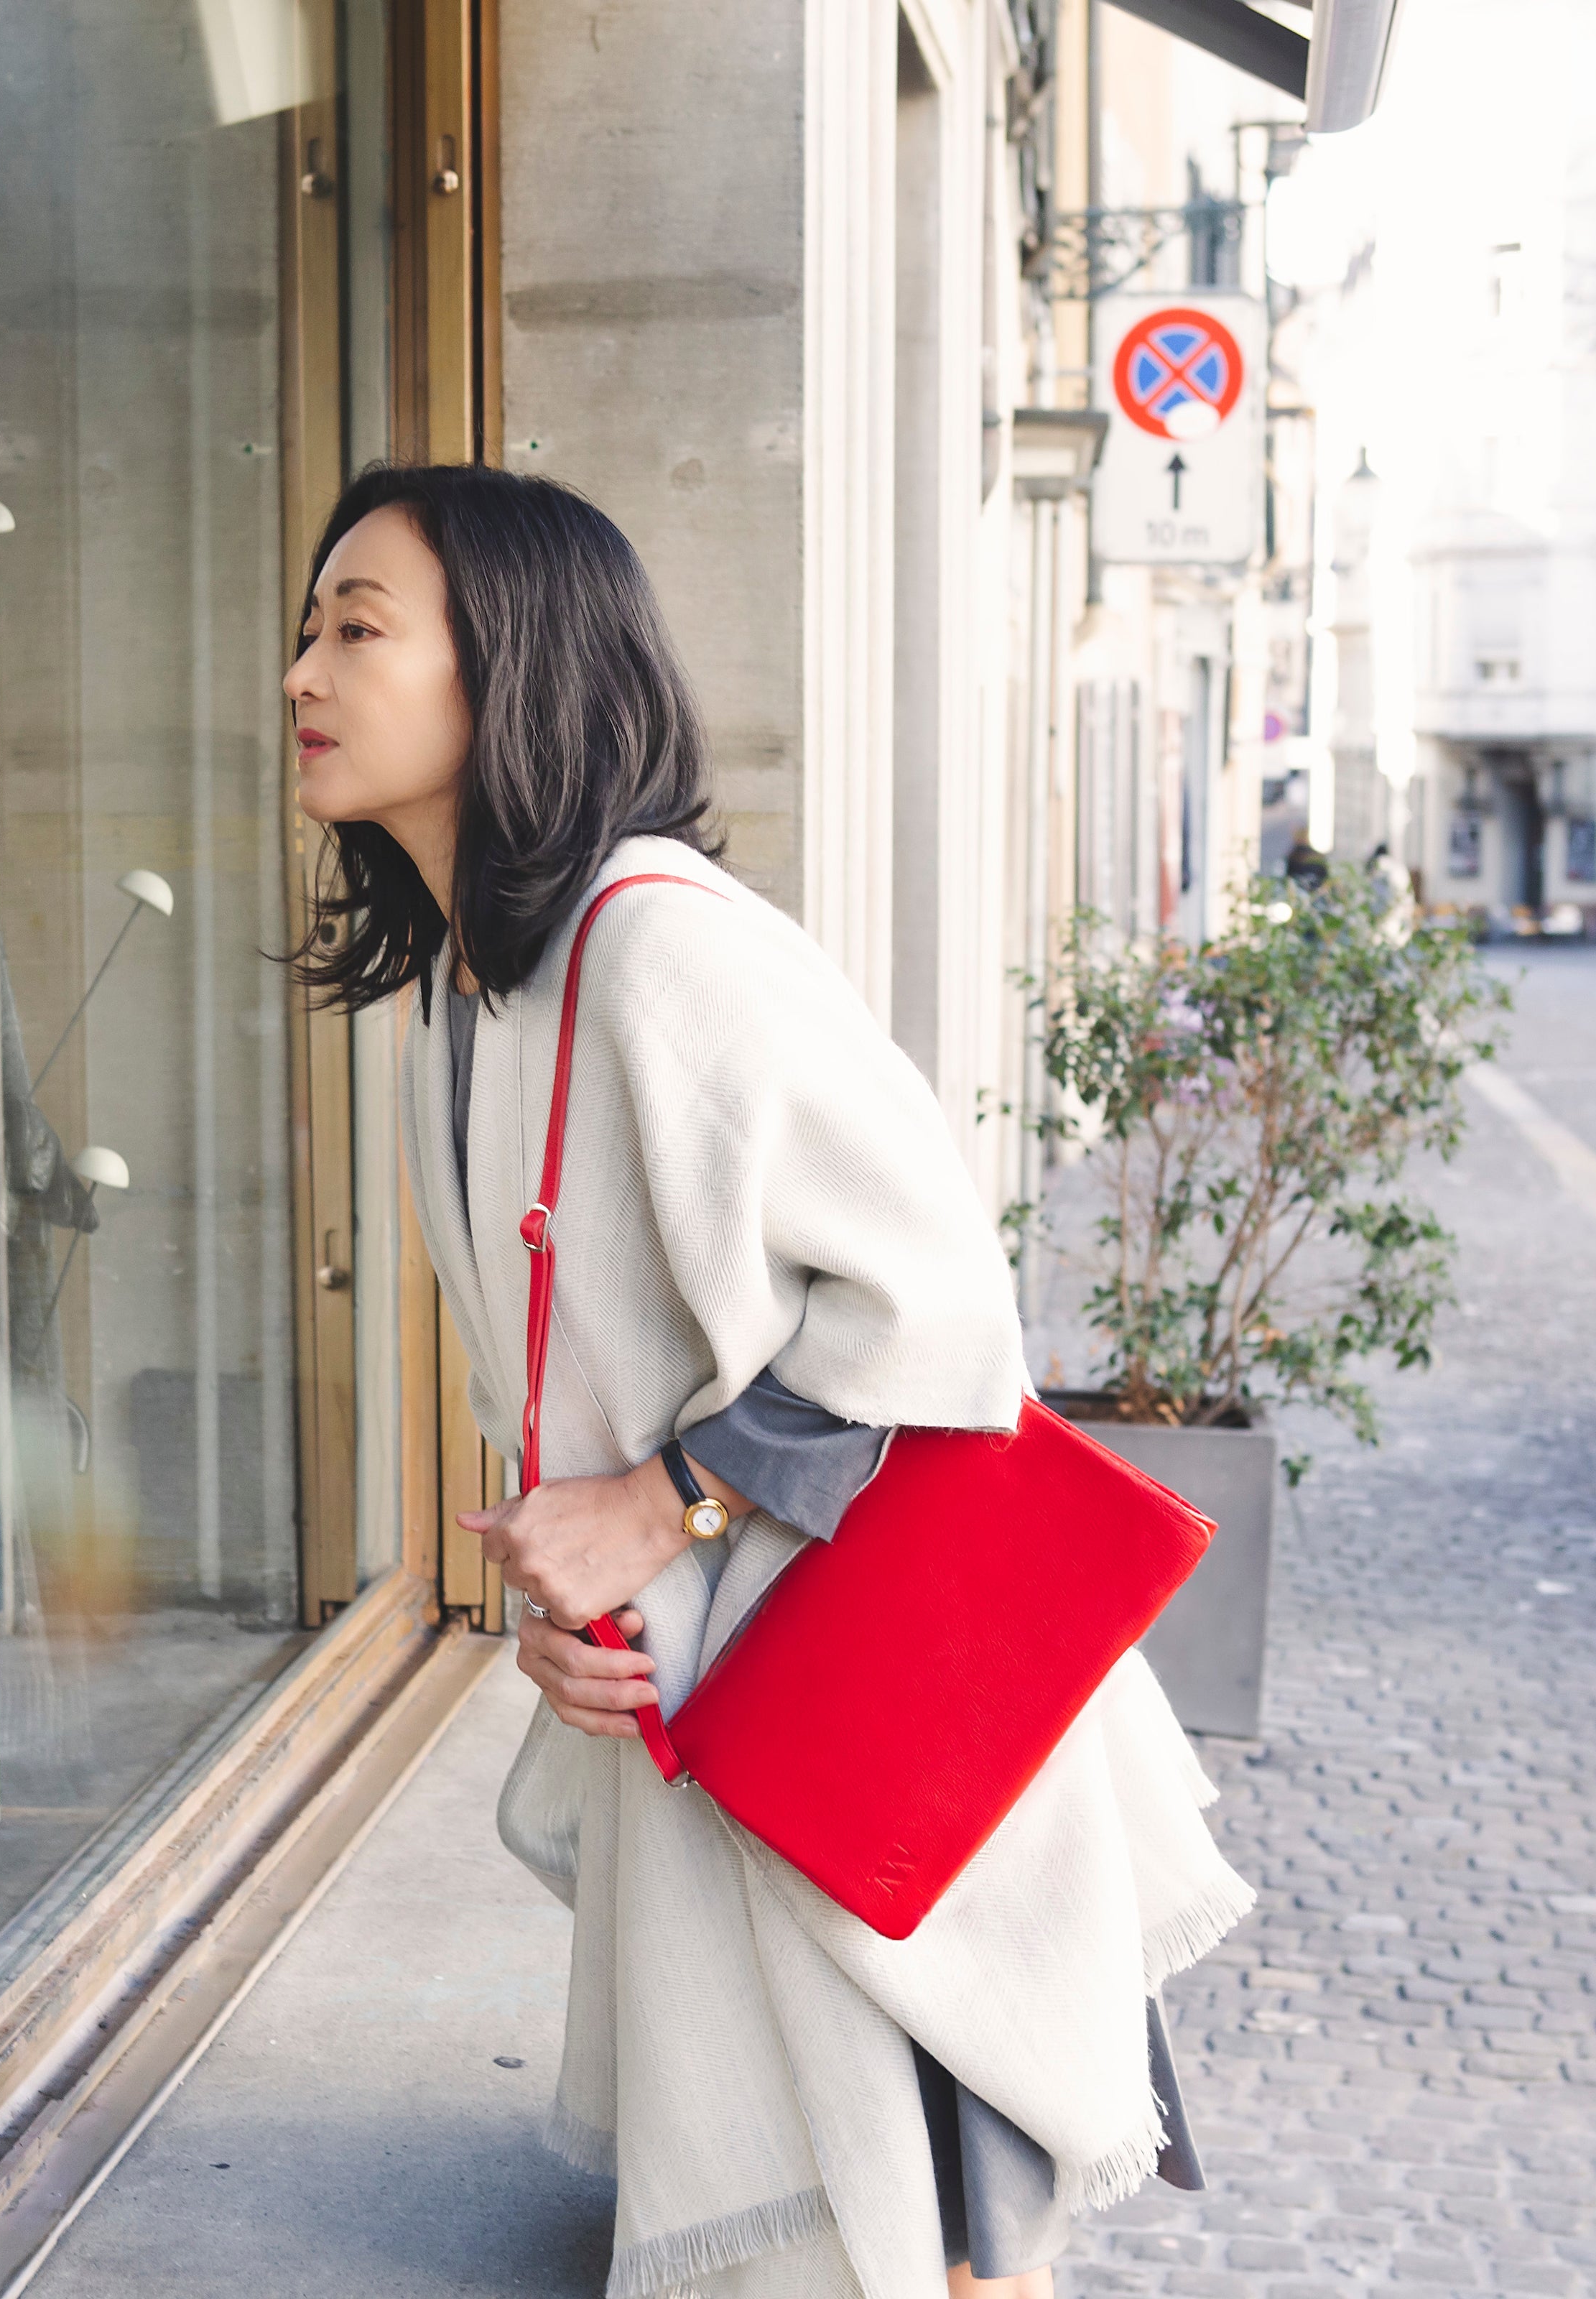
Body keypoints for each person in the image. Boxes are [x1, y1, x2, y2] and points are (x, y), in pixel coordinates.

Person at [281, 463, 1251, 2299]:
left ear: (514, 665)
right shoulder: (469, 1002)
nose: (302, 672)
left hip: (856, 1697)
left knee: (941, 2240)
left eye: (357, 625)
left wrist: (652, 1507)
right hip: (729, 1705)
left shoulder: (664, 946)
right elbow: (589, 1375)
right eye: (306, 628)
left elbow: (937, 1297)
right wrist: (587, 1587)